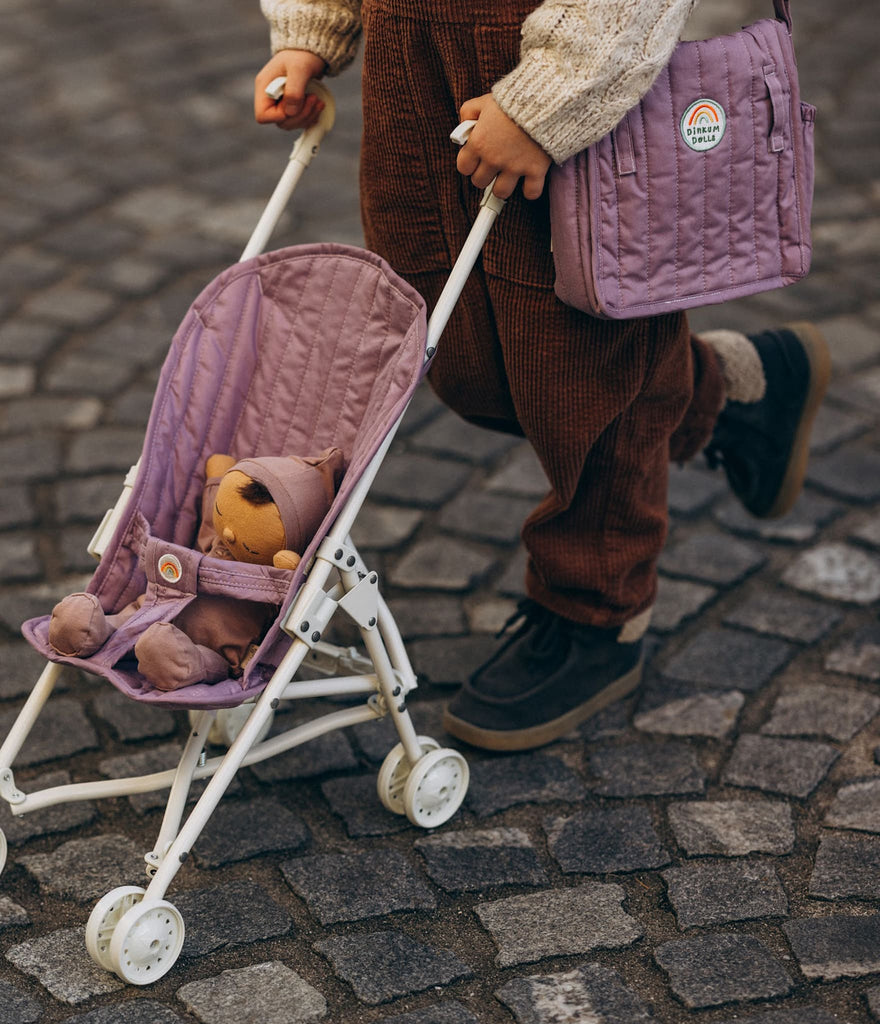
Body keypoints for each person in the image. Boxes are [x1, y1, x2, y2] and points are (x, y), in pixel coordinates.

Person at [252, 0, 831, 752]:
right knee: (453, 347)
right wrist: (310, 31)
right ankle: (734, 389)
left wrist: (546, 102)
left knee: (581, 355)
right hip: (409, 56)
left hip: (559, 65)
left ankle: (599, 606)